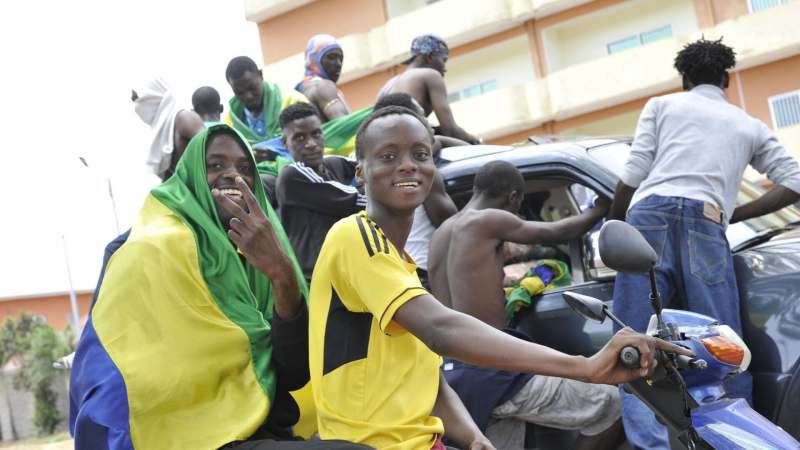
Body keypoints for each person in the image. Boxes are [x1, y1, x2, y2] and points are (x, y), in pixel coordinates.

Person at [308, 106, 691, 449]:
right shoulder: (354, 237)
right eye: (388, 156)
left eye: (420, 154)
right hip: (376, 443)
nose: (408, 165)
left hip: (429, 432)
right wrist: (584, 366)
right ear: (359, 171)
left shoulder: (404, 262)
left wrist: (473, 437)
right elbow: (441, 329)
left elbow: (427, 378)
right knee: (611, 405)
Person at [69, 125, 364, 450]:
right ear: (193, 174)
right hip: (195, 438)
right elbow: (113, 367)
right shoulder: (155, 250)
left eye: (244, 167)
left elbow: (294, 375)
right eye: (215, 165)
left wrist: (282, 275)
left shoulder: (262, 250)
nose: (232, 176)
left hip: (264, 427)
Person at [607, 37, 800, 450]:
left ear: (685, 79)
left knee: (632, 345)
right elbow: (795, 181)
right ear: (726, 78)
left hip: (646, 221)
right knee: (723, 348)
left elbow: (635, 169)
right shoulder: (747, 124)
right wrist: (730, 214)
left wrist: (613, 223)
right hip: (707, 227)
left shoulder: (662, 105)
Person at [426, 161, 622, 450]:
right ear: (512, 198)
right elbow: (560, 232)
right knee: (614, 405)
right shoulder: (486, 219)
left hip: (454, 375)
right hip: (493, 366)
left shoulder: (441, 233)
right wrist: (601, 207)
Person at [373, 94, 460, 288]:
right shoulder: (419, 170)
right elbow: (454, 224)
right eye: (422, 117)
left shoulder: (368, 168)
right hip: (425, 273)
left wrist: (437, 142)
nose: (428, 122)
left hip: (391, 278)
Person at [276, 103, 366, 285]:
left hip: (346, 271)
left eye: (316, 134)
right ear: (285, 142)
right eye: (300, 137)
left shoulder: (329, 164)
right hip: (320, 280)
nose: (311, 144)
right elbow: (357, 200)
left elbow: (366, 159)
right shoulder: (292, 176)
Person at [377, 34, 481, 144]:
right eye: (444, 60)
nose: (445, 68)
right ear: (430, 56)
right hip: (412, 147)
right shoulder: (431, 75)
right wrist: (476, 141)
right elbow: (451, 130)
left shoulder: (387, 86)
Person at [225, 55, 309, 160]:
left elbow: (310, 142)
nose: (248, 96)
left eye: (252, 87)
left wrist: (277, 153)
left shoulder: (293, 101)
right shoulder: (231, 120)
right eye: (239, 92)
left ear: (260, 75)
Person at [132, 77, 205, 182]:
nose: (136, 105)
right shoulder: (161, 133)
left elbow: (212, 149)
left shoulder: (184, 118)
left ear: (155, 93)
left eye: (137, 98)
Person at [296, 34, 350, 123]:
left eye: (341, 58)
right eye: (332, 57)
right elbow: (344, 125)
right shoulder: (323, 86)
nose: (338, 64)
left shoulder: (301, 93)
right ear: (314, 59)